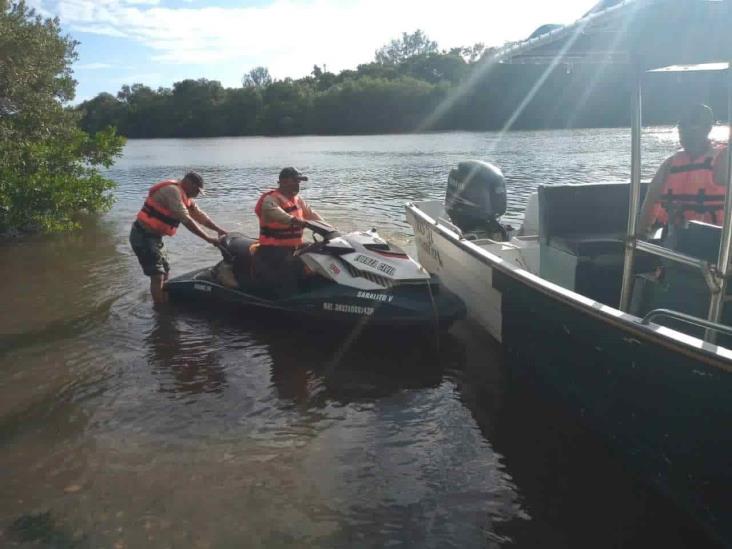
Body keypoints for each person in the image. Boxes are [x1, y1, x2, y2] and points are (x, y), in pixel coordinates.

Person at [638, 104, 729, 247]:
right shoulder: (670, 164)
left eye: (692, 123)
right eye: (681, 124)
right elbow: (651, 201)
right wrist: (641, 234)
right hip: (677, 239)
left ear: (708, 128)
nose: (684, 129)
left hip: (718, 242)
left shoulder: (724, 160)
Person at [130, 171, 227, 304]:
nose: (197, 194)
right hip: (143, 236)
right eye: (196, 190)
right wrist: (208, 238)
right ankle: (159, 310)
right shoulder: (172, 191)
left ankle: (163, 300)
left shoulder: (185, 196)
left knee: (165, 271)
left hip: (155, 238)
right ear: (188, 183)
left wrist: (218, 229)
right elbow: (186, 220)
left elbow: (199, 216)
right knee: (157, 275)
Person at [253, 167, 326, 296]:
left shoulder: (298, 199)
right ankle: (290, 299)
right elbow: (279, 214)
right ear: (284, 182)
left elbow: (312, 215)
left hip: (292, 247)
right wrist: (297, 221)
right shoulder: (270, 200)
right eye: (296, 181)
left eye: (299, 182)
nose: (298, 185)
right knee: (294, 268)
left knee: (321, 252)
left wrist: (331, 230)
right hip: (272, 250)